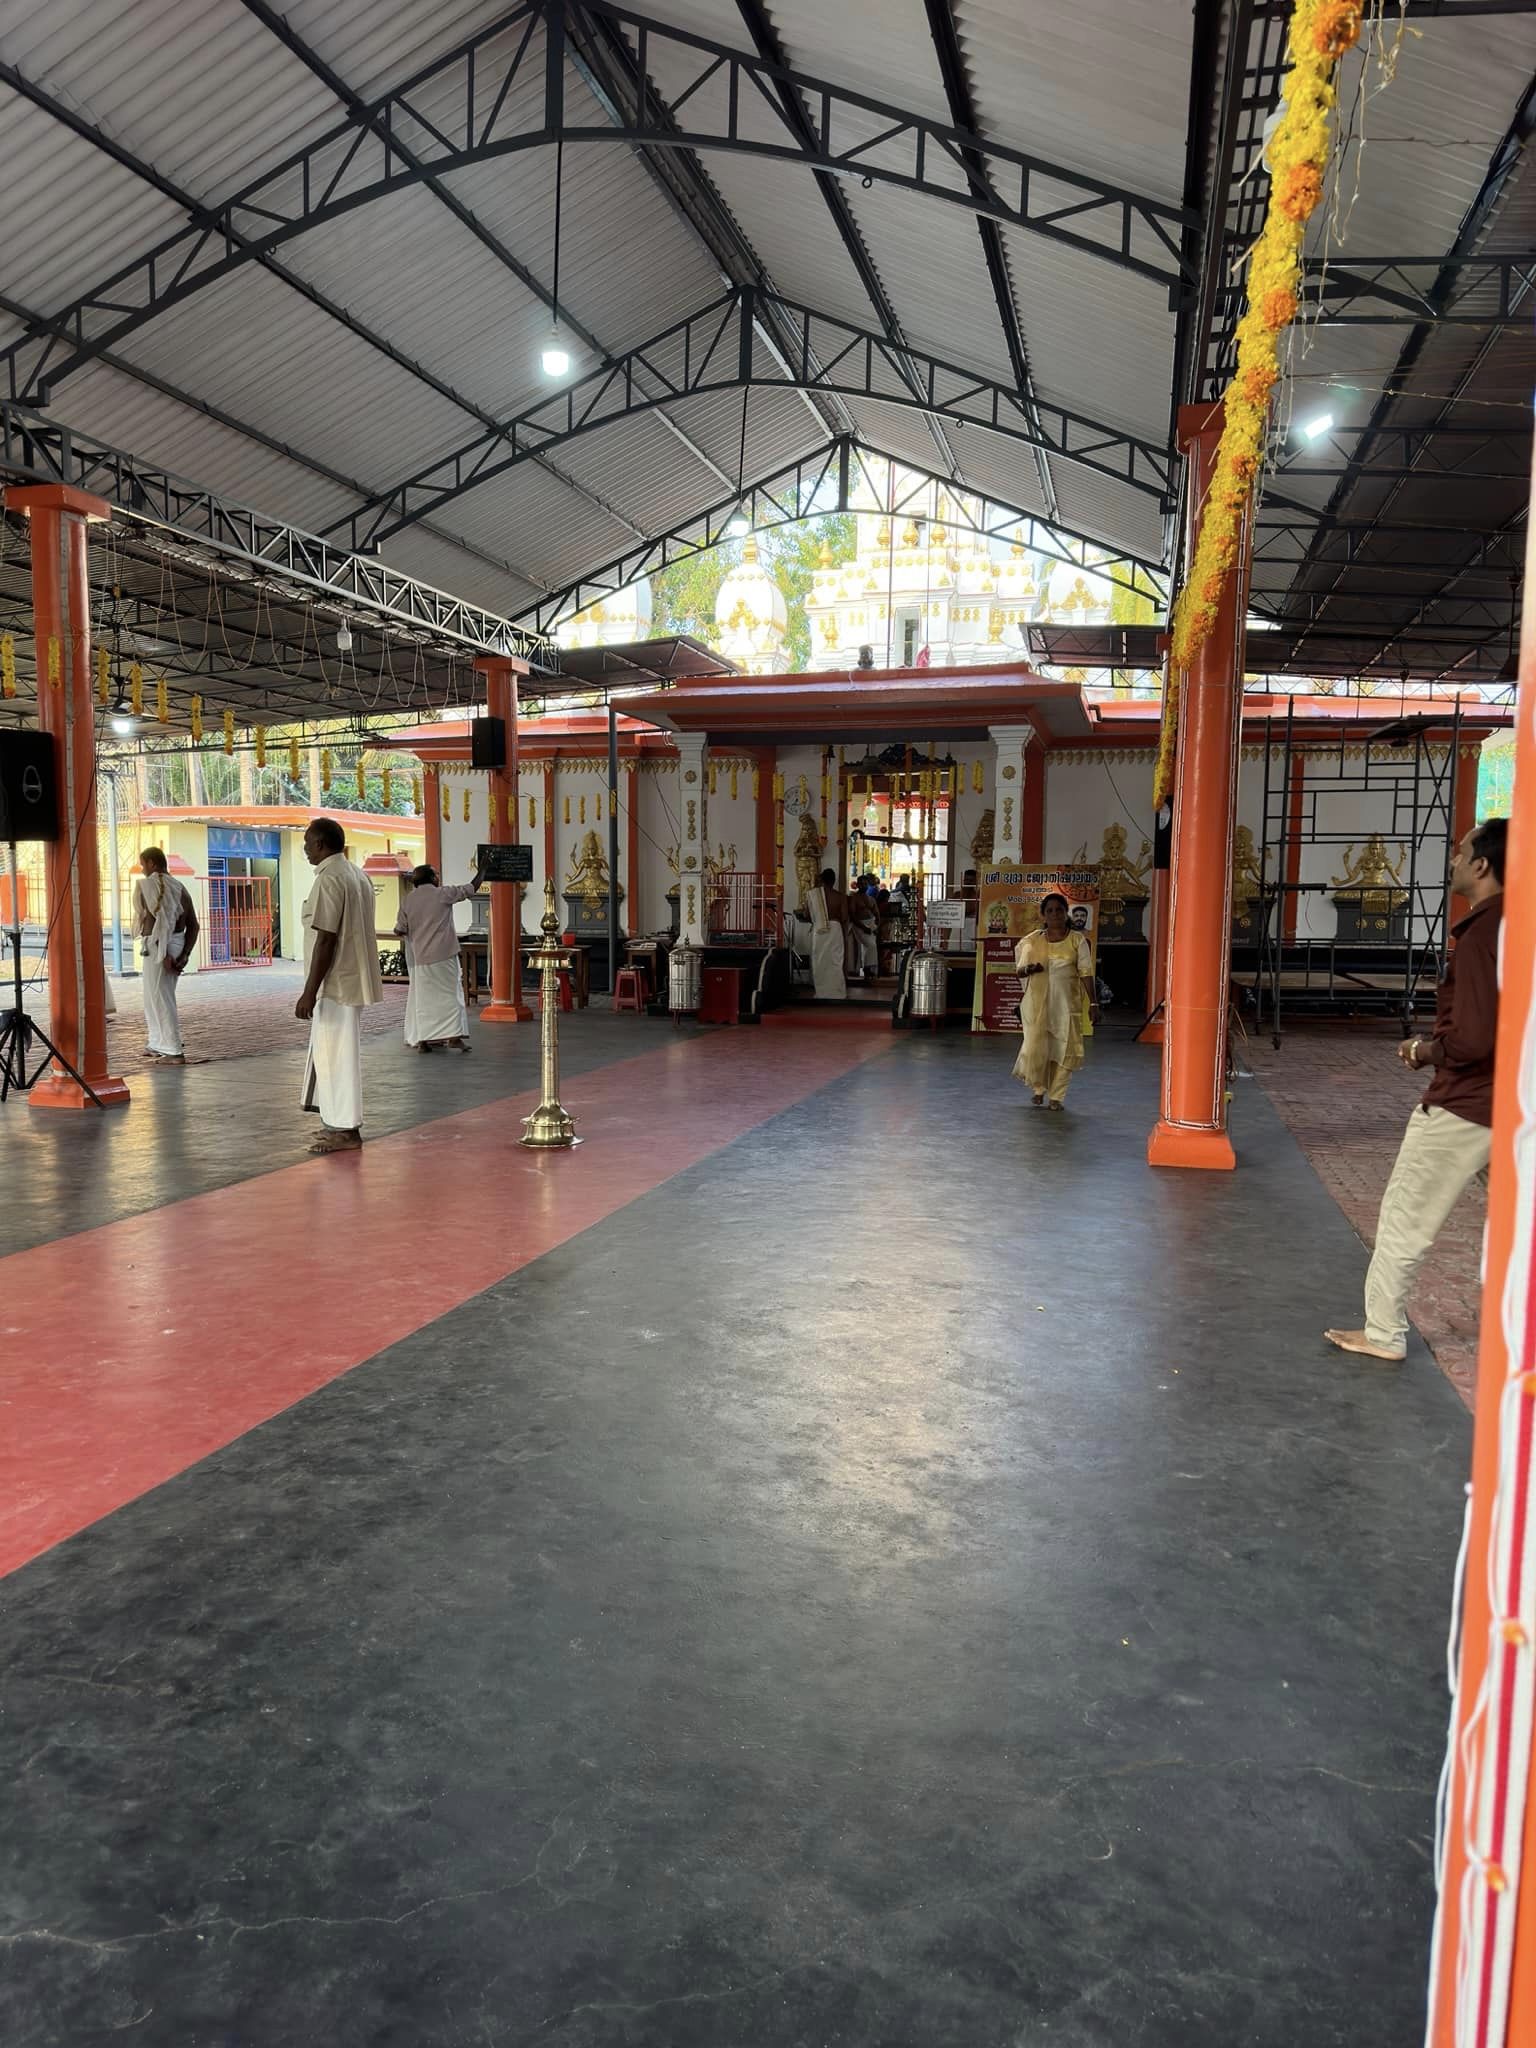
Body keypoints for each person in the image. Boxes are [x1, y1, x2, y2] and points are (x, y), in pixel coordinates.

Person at [1326, 818, 1507, 1363]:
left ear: (1481, 865)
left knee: (1406, 1218)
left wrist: (1424, 1050)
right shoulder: (1518, 926)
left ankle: (1382, 1332)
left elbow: (1472, 1039)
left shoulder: (1480, 936)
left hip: (1462, 1103)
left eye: (1460, 853)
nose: (1452, 861)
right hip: (1512, 1103)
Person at [296, 818, 384, 1155]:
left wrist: (309, 991)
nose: (305, 848)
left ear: (321, 844)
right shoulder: (356, 874)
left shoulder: (330, 879)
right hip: (347, 979)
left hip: (335, 982)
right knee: (332, 1053)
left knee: (336, 1056)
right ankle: (337, 1125)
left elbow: (326, 939)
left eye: (307, 842)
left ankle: (346, 1129)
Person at [1013, 891, 1097, 1110]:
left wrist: (1094, 1003)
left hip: (1066, 1006)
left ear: (1065, 912)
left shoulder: (1077, 940)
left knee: (1064, 1048)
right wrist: (1031, 968)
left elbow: (1086, 972)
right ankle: (1039, 1089)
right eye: (1049, 910)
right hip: (1038, 1004)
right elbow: (1020, 971)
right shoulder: (1032, 941)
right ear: (1043, 915)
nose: (1055, 914)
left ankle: (1057, 1096)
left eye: (1059, 910)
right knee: (1038, 1046)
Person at [394, 860, 482, 1053]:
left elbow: (399, 929)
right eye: (437, 875)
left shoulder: (407, 900)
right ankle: (454, 1038)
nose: (438, 878)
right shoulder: (442, 894)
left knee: (424, 1000)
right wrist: (483, 870)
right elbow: (470, 889)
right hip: (443, 955)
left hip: (420, 959)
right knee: (452, 997)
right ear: (432, 878)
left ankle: (424, 1041)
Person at [132, 847, 199, 1064]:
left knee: (161, 998)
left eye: (143, 865)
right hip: (177, 945)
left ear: (152, 863)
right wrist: (185, 955)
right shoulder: (180, 888)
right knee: (155, 996)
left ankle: (173, 1050)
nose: (142, 870)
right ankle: (157, 1042)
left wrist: (165, 953)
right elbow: (194, 926)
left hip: (160, 947)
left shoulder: (149, 886)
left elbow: (157, 923)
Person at [806, 867, 847, 1001]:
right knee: (835, 961)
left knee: (820, 961)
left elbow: (807, 914)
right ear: (834, 881)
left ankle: (822, 993)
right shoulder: (840, 897)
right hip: (835, 929)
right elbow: (844, 917)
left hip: (819, 930)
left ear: (822, 880)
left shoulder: (814, 895)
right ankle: (837, 993)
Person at [847, 877, 878, 981]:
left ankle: (869, 969)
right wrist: (863, 927)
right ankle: (867, 968)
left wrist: (877, 925)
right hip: (859, 925)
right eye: (861, 884)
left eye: (865, 884)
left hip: (871, 924)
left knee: (871, 947)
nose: (863, 886)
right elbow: (852, 914)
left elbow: (877, 914)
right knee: (871, 945)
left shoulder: (870, 898)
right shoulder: (854, 898)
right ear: (858, 885)